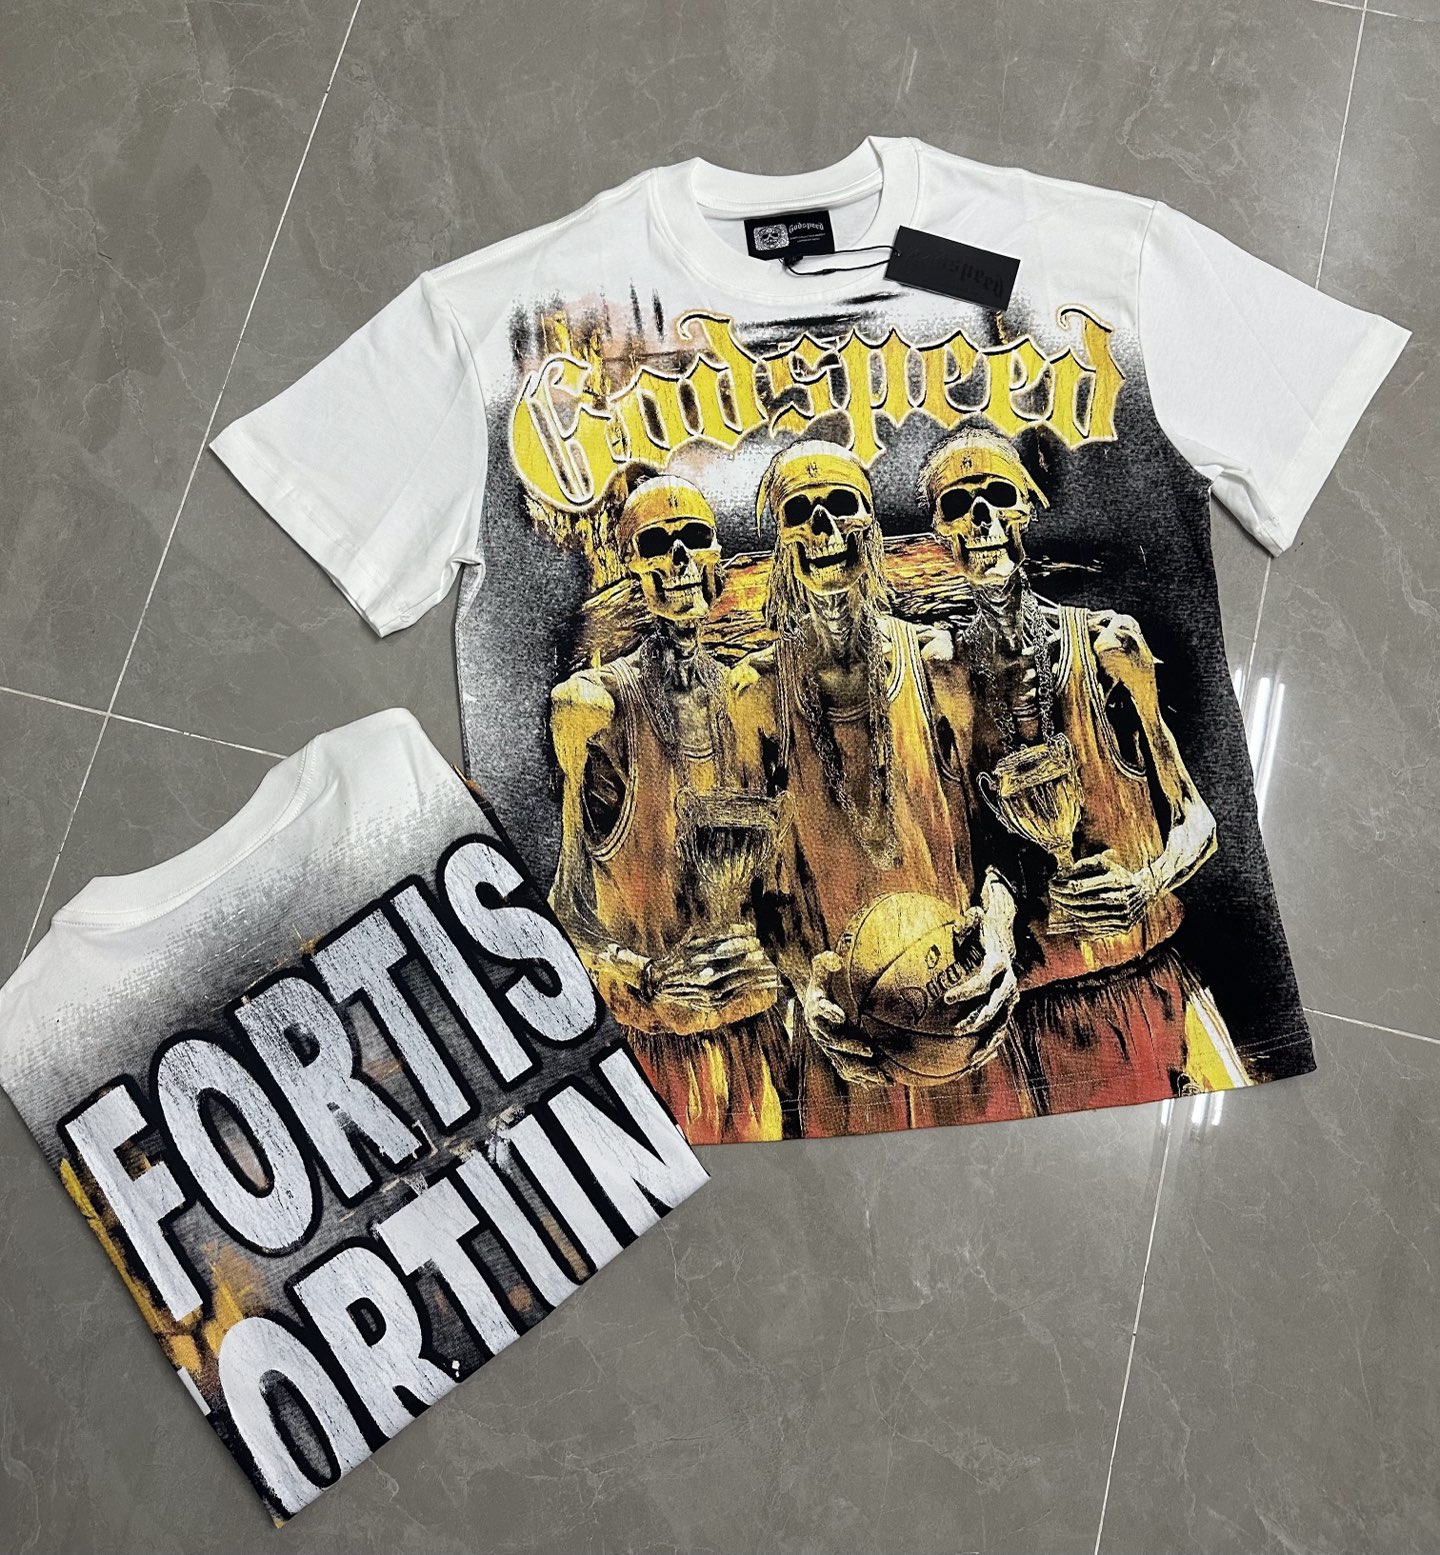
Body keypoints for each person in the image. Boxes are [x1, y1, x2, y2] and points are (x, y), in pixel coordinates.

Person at [920, 425, 1250, 1110]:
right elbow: (981, 853)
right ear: (941, 535)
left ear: (1026, 509)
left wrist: (1147, 883)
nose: (981, 520)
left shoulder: (1108, 645)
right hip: (1038, 1016)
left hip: (1148, 982)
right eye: (959, 505)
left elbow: (1197, 819)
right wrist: (995, 926)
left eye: (997, 497)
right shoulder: (944, 675)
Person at [727, 441, 1029, 1138]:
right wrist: (804, 986)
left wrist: (1001, 934)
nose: (823, 529)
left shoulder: (937, 664)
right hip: (846, 1043)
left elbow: (1006, 843)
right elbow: (760, 895)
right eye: (800, 514)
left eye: (841, 507)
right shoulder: (754, 695)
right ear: (780, 548)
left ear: (872, 527)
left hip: (960, 1007)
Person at [548, 475, 789, 1142]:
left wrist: (776, 960)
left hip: (757, 1051)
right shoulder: (591, 708)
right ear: (632, 566)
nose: (679, 561)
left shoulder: (748, 698)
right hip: (654, 1058)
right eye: (657, 544)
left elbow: (782, 892)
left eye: (694, 540)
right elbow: (564, 908)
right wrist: (643, 979)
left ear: (717, 558)